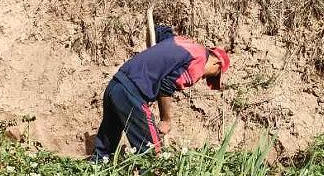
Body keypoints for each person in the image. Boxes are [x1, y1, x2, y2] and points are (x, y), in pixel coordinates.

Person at [92, 33, 230, 159]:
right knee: (151, 151)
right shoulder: (199, 61)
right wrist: (166, 120)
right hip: (131, 92)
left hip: (116, 84)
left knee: (105, 146)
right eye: (213, 75)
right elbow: (166, 86)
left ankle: (96, 167)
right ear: (216, 63)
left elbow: (158, 31)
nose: (205, 78)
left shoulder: (181, 41)